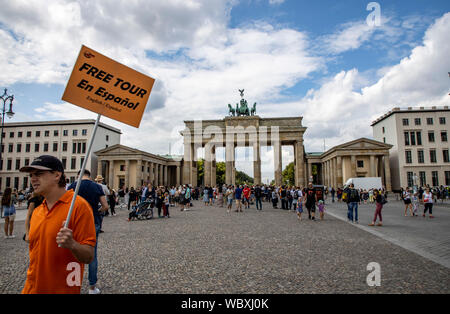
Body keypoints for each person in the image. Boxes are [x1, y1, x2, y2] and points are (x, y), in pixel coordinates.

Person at [20, 155, 96, 294]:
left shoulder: (79, 207)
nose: (33, 179)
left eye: (39, 174)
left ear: (57, 175)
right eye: (31, 175)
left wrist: (72, 244)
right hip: (31, 289)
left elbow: (89, 256)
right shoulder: (37, 211)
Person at [68, 169, 109, 294]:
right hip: (93, 221)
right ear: (90, 176)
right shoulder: (96, 186)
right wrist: (98, 211)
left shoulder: (72, 186)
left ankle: (73, 284)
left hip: (75, 222)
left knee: (73, 253)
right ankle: (92, 287)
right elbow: (105, 206)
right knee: (92, 254)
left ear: (78, 175)